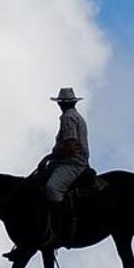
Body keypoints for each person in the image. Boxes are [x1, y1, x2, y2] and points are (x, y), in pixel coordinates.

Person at [39, 87, 90, 241]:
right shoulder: (77, 117)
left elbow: (70, 146)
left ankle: (56, 232)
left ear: (60, 104)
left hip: (72, 164)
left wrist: (49, 158)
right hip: (71, 162)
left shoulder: (67, 118)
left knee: (52, 188)